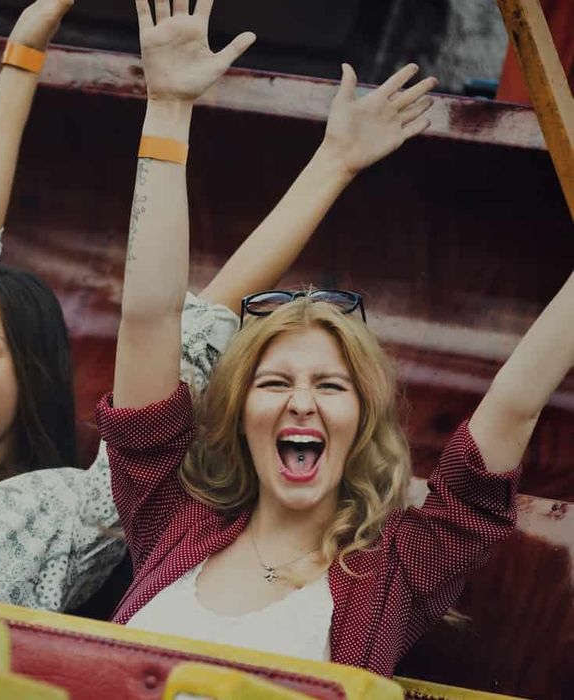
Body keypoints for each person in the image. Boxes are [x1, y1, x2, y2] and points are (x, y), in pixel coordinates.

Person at [0, 0, 435, 612]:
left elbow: (182, 322)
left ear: (32, 379)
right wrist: (26, 48)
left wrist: (333, 164)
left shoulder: (73, 511)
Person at [102, 0, 569, 676]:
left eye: (328, 385)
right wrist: (168, 109)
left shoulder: (397, 570)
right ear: (238, 418)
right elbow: (148, 319)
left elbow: (514, 403)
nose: (299, 402)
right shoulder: (171, 516)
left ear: (360, 420)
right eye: (273, 382)